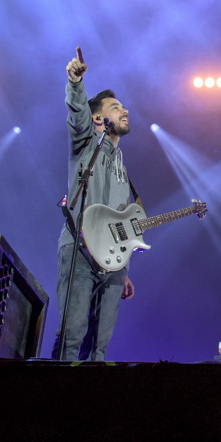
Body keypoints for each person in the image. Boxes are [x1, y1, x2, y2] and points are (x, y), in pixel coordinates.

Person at [51, 48, 137, 361]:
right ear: (99, 118)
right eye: (116, 107)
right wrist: (75, 84)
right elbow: (77, 115)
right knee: (73, 333)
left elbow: (119, 221)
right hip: (80, 250)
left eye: (123, 107)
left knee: (100, 346)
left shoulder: (122, 166)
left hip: (112, 262)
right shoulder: (86, 143)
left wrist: (122, 265)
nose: (125, 111)